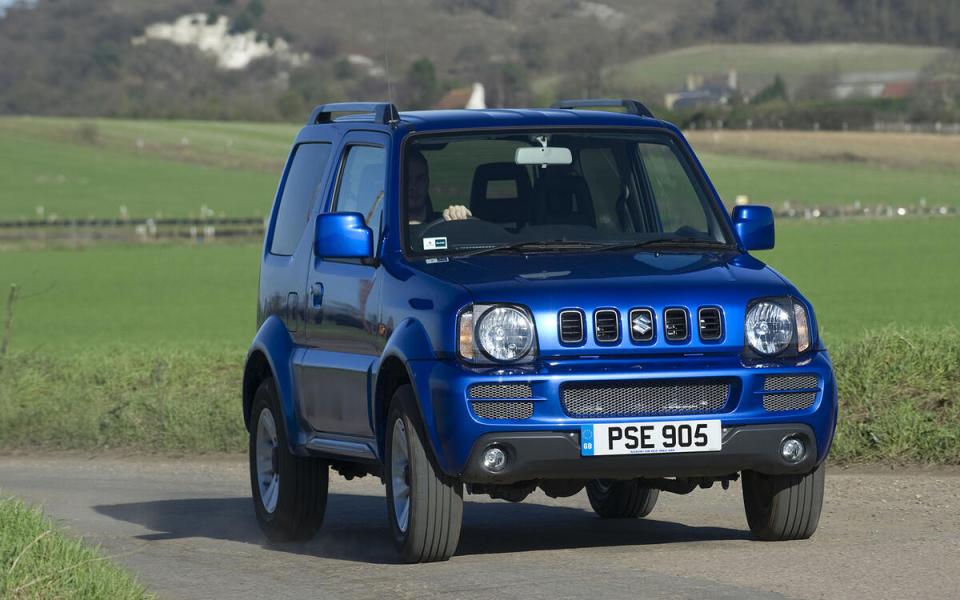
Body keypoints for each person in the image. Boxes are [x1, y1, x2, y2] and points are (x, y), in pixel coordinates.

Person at [407, 150, 471, 224]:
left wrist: (459, 216)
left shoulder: (444, 223)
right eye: (407, 179)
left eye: (420, 179)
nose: (413, 186)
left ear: (428, 182)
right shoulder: (391, 224)